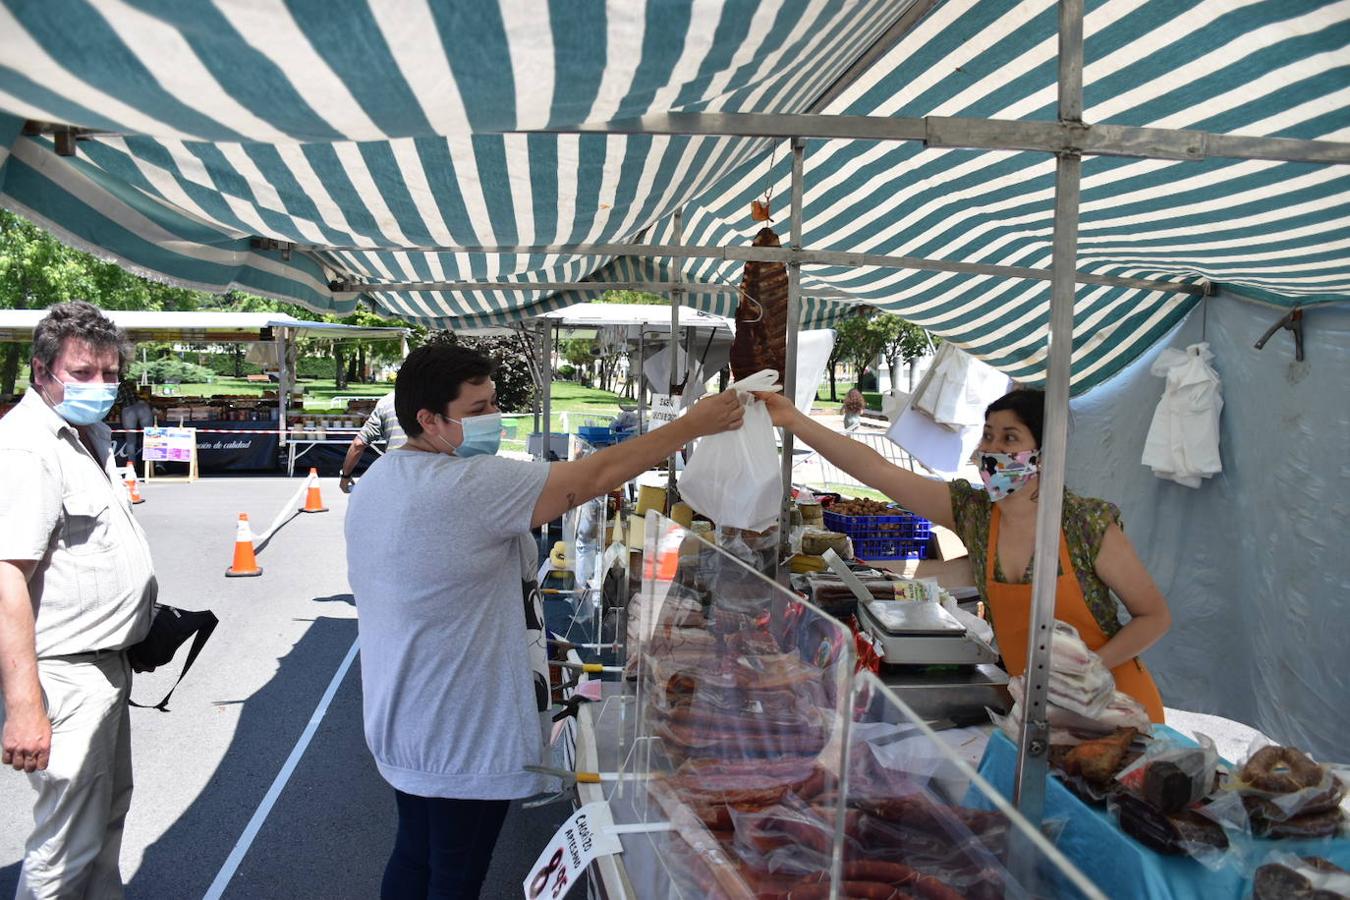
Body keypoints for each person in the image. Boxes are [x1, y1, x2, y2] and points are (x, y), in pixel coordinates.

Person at [345, 343, 744, 898]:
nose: (494, 419)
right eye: (478, 409)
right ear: (428, 419)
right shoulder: (466, 485)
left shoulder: (385, 477)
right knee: (455, 874)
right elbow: (595, 474)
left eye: (493, 404)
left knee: (416, 854)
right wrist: (691, 424)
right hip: (460, 726)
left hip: (406, 713)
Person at [758, 387, 1170, 721]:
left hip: (1117, 705)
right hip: (1039, 710)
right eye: (988, 435)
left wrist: (1089, 668)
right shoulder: (975, 514)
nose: (992, 449)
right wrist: (795, 420)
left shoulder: (1086, 524)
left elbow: (1154, 617)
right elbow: (878, 471)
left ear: (1046, 452)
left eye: (1010, 438)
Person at [0, 301, 157, 898]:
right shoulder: (27, 446)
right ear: (42, 371)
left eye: (111, 374)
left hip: (103, 666)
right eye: (84, 373)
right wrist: (24, 707)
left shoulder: (85, 435)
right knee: (65, 846)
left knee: (104, 820)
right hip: (64, 676)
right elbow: (7, 576)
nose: (101, 386)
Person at [339, 391, 404, 494]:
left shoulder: (386, 402)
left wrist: (345, 476)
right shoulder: (435, 398)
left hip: (395, 475)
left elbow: (358, 444)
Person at [116, 378, 153, 473]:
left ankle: (132, 467)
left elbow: (118, 400)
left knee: (130, 440)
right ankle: (156, 464)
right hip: (142, 406)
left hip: (128, 410)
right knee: (150, 436)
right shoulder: (129, 382)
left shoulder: (115, 385)